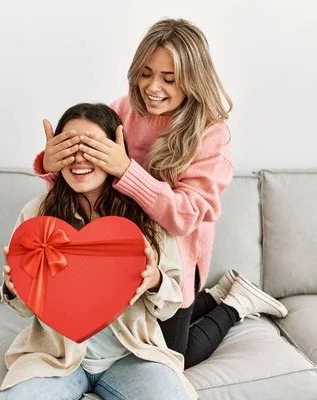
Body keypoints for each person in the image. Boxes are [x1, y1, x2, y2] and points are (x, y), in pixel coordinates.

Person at [34, 19, 288, 369]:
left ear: (193, 78)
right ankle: (214, 296)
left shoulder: (212, 135)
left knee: (174, 358)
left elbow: (184, 218)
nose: (153, 87)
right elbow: (79, 183)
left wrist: (126, 170)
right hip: (122, 254)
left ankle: (236, 304)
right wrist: (51, 163)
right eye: (146, 73)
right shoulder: (122, 110)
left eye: (169, 79)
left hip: (174, 263)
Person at [0, 103, 196, 400]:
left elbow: (171, 304)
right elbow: (25, 309)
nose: (79, 158)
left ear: (115, 150)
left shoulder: (145, 216)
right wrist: (15, 289)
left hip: (131, 357)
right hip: (55, 356)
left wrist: (154, 280)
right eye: (69, 146)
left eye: (91, 146)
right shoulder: (36, 215)